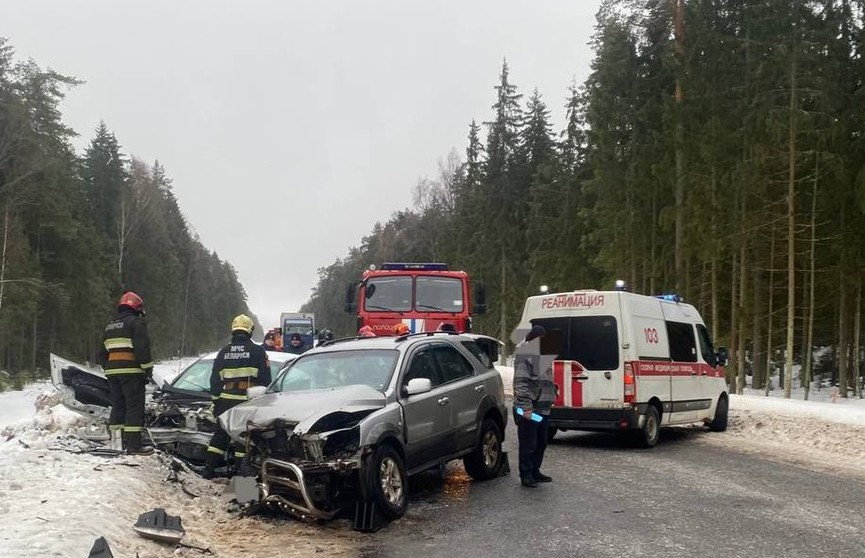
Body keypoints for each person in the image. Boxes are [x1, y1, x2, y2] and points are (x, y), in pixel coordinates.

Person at [205, 314, 271, 478]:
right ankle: (241, 483)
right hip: (247, 402)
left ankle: (207, 473)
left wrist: (217, 402)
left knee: (220, 436)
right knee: (244, 440)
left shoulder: (223, 352)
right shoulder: (258, 351)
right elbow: (266, 380)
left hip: (226, 400)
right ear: (250, 331)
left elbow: (214, 381)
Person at [98, 291, 155, 456]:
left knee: (118, 406)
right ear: (136, 307)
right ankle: (134, 446)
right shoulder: (136, 323)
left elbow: (101, 354)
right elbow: (142, 349)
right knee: (134, 407)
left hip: (113, 374)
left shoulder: (109, 326)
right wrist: (147, 371)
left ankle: (117, 443)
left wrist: (109, 368)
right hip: (132, 373)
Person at [512, 324, 556, 487]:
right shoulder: (525, 356)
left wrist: (553, 392)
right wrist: (526, 408)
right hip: (529, 409)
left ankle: (535, 471)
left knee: (541, 442)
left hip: (543, 409)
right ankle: (526, 474)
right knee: (528, 443)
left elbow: (545, 381)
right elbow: (521, 383)